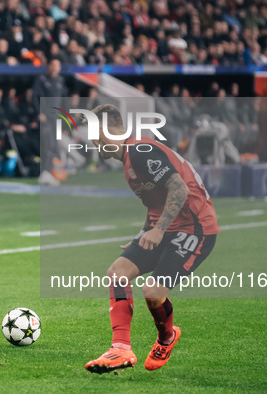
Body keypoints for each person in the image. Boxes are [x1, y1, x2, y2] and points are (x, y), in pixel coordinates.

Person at [84, 104, 219, 374]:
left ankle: (166, 338)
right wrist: (147, 230)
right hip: (167, 227)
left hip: (195, 228)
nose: (93, 144)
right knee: (116, 274)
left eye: (95, 137)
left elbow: (178, 189)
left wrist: (158, 231)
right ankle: (120, 349)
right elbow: (156, 203)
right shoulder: (129, 160)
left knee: (153, 293)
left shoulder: (140, 152)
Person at [31, 58, 67, 186]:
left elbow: (63, 100)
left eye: (58, 66)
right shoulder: (42, 80)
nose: (55, 68)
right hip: (46, 118)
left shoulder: (60, 81)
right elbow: (35, 97)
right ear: (48, 66)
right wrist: (39, 113)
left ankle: (49, 172)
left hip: (56, 118)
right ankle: (44, 173)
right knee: (47, 145)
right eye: (53, 65)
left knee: (54, 146)